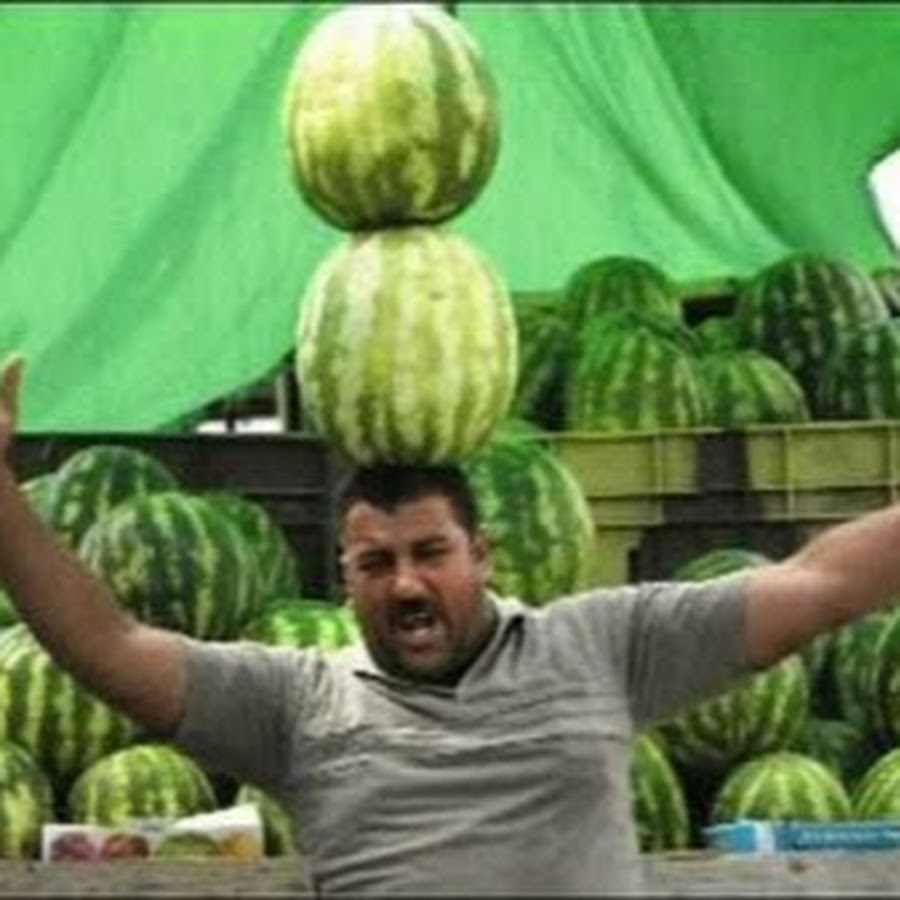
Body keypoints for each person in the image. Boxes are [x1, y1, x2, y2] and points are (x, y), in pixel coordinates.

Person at [0, 352, 898, 894]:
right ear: (345, 578)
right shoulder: (296, 702)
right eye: (375, 563)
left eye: (431, 553)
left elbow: (817, 585)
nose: (405, 584)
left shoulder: (600, 644)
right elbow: (107, 646)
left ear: (483, 554)